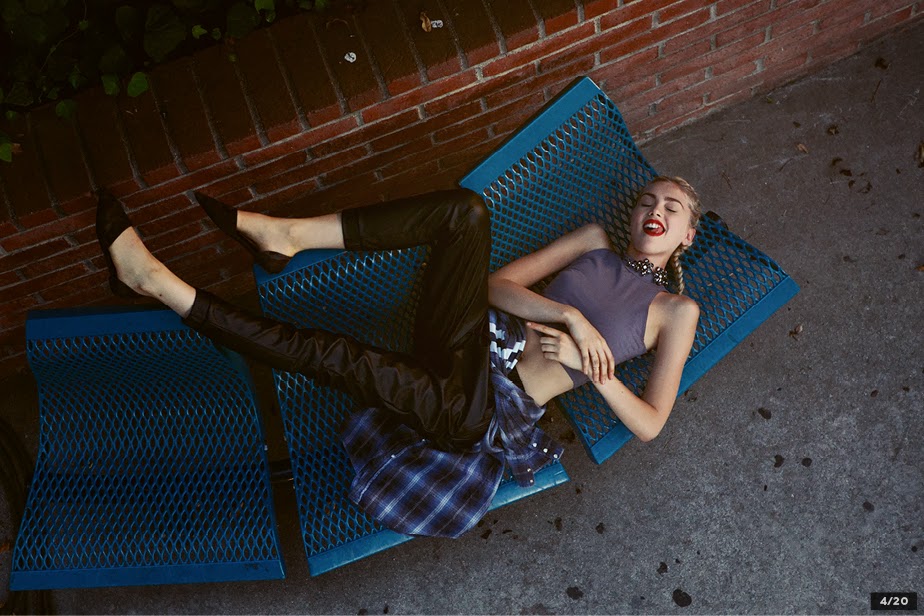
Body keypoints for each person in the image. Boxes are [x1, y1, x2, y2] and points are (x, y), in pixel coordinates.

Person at [95, 175, 700, 538]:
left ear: (687, 236)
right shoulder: (593, 243)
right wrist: (568, 315)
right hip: (471, 339)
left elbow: (650, 423)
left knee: (334, 355)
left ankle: (159, 285)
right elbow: (494, 286)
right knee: (466, 212)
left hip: (479, 411)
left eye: (671, 208)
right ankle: (287, 236)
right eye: (647, 200)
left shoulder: (676, 311)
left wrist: (591, 363)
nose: (655, 211)